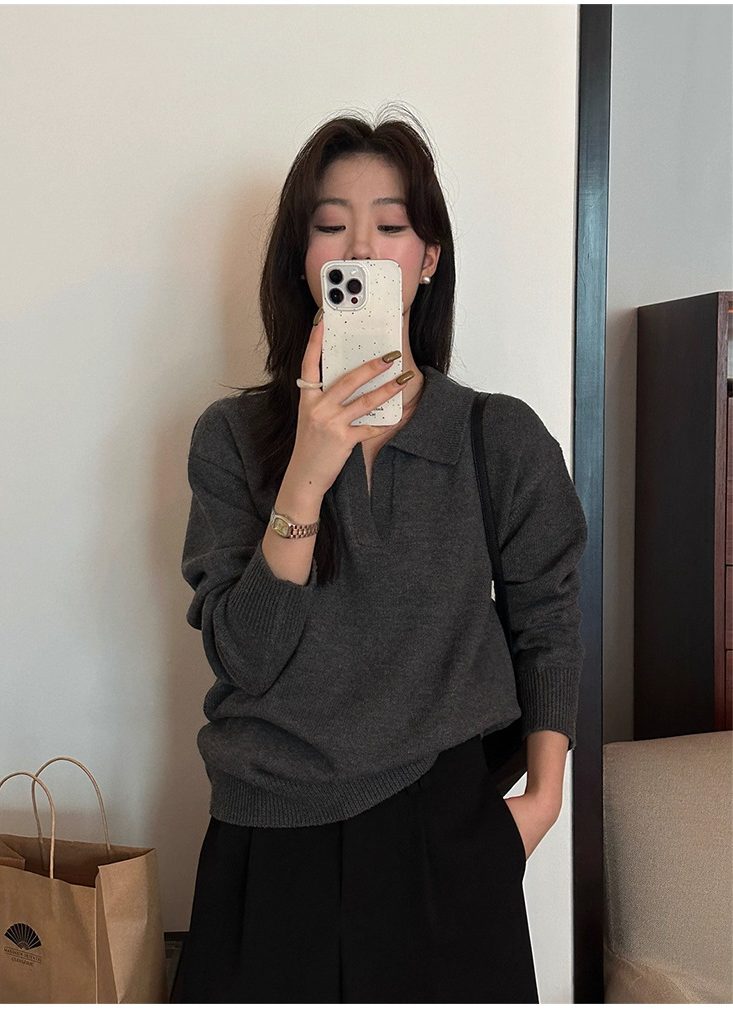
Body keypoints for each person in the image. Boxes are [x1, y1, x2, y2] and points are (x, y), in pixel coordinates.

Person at [178, 109, 587, 1004]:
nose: (360, 247)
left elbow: (548, 619)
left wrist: (541, 803)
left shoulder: (497, 437)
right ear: (302, 259)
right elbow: (245, 655)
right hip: (267, 837)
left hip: (447, 834)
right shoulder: (232, 438)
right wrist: (307, 472)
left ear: (428, 256)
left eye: (391, 225)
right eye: (331, 225)